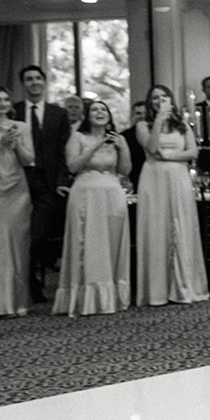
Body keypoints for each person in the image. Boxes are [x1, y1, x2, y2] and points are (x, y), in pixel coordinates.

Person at [135, 85, 210, 306]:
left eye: (164, 96)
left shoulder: (182, 125)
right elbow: (151, 148)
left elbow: (193, 152)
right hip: (154, 179)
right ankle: (157, 290)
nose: (159, 100)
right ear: (150, 103)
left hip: (178, 178)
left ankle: (184, 284)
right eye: (155, 98)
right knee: (157, 228)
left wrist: (168, 156)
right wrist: (159, 120)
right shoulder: (143, 125)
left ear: (170, 99)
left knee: (181, 225)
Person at [56, 100, 132, 316]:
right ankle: (86, 296)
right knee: (89, 242)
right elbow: (72, 166)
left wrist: (122, 148)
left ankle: (112, 296)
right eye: (94, 110)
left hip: (112, 193)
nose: (99, 112)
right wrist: (95, 147)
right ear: (87, 116)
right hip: (85, 193)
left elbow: (125, 170)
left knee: (112, 241)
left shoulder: (118, 139)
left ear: (109, 115)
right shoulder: (78, 137)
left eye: (103, 109)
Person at [12, 64, 71, 303]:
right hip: (18, 181)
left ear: (44, 82)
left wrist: (61, 180)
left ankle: (31, 279)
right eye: (29, 79)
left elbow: (63, 151)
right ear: (23, 84)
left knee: (36, 236)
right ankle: (25, 284)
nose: (34, 82)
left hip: (46, 183)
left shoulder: (59, 114)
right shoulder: (13, 111)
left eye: (38, 78)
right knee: (19, 234)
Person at [0, 85, 36, 319]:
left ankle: (17, 302)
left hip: (18, 190)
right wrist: (0, 142)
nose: (2, 103)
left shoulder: (22, 126)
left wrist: (16, 143)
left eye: (6, 99)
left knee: (18, 245)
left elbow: (29, 159)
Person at [120, 99, 149, 187]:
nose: (142, 116)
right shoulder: (124, 136)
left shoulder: (158, 133)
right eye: (138, 113)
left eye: (145, 113)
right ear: (132, 115)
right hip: (134, 180)